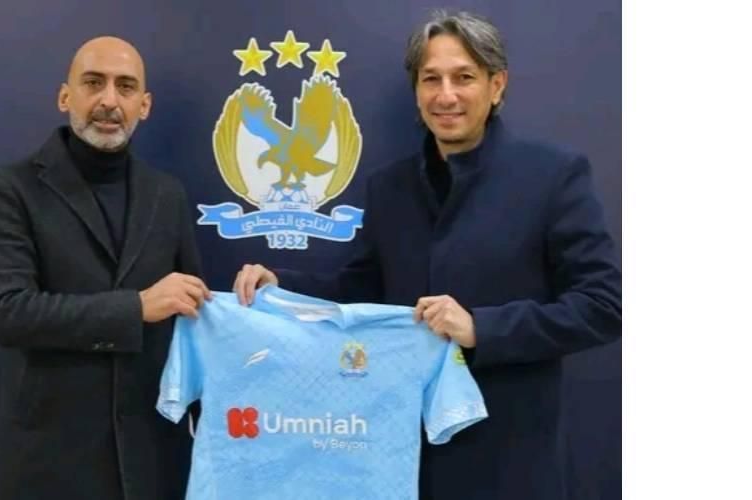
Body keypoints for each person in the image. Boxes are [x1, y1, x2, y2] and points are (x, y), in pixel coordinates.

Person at [233, 10, 621, 500]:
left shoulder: (553, 176)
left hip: (510, 462)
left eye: (464, 78)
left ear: (496, 85)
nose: (446, 95)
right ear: (416, 90)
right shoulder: (389, 187)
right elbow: (364, 288)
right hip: (400, 459)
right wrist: (280, 286)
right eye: (431, 79)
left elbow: (603, 306)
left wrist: (482, 328)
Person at [0, 36, 210, 500]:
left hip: (152, 463)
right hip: (49, 467)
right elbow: (8, 312)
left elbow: (194, 319)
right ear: (65, 96)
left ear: (144, 105)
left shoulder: (167, 194)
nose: (109, 100)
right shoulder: (10, 189)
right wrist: (135, 308)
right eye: (93, 83)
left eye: (125, 87)